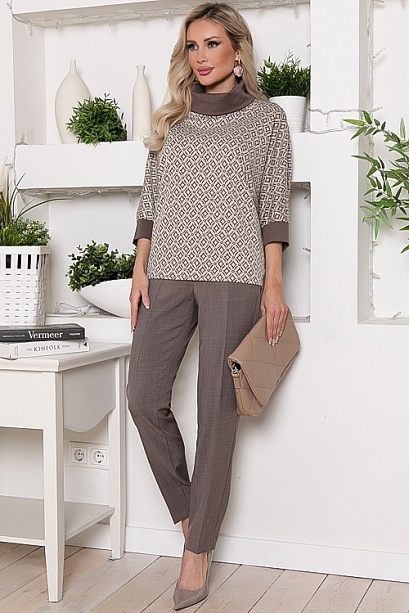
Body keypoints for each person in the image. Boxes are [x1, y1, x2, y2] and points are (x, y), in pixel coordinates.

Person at [127, 2, 292, 609]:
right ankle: (190, 518)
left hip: (235, 274)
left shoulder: (267, 119)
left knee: (215, 412)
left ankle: (196, 554)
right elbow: (151, 198)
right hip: (167, 271)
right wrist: (140, 267)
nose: (201, 56)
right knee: (143, 397)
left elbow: (274, 204)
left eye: (213, 44)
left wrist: (273, 284)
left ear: (237, 50)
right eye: (192, 46)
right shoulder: (173, 118)